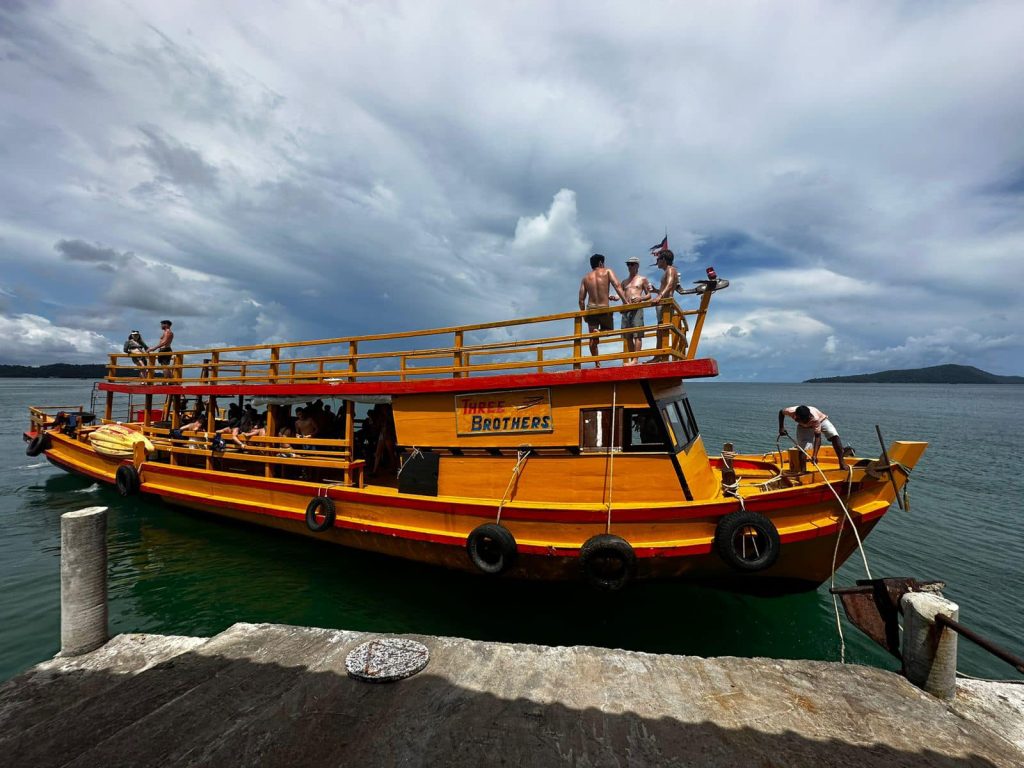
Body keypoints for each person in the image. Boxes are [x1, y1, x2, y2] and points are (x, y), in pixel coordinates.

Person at [577, 254, 625, 366]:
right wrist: (625, 302)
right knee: (608, 330)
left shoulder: (585, 278)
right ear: (600, 263)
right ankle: (600, 332)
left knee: (593, 340)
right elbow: (617, 285)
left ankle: (597, 363)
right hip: (603, 308)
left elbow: (581, 300)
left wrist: (584, 314)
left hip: (591, 309)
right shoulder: (607, 271)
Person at [778, 405, 847, 465]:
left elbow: (818, 437)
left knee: (834, 435)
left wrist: (815, 455)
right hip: (803, 427)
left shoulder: (815, 418)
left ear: (809, 416)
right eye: (803, 420)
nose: (806, 421)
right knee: (803, 447)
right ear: (796, 416)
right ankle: (803, 470)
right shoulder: (790, 411)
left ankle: (841, 462)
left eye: (807, 419)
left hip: (821, 421)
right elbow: (781, 413)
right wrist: (781, 427)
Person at [647, 249, 679, 362]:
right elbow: (666, 287)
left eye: (658, 259)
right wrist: (656, 291)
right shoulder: (667, 271)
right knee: (659, 330)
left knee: (662, 330)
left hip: (666, 305)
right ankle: (658, 356)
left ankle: (660, 356)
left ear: (664, 259)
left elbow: (670, 284)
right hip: (663, 304)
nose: (657, 262)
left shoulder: (670, 270)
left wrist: (659, 296)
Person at [620, 256, 653, 365]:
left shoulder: (642, 279)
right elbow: (620, 294)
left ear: (637, 265)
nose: (630, 266)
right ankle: (631, 358)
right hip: (626, 309)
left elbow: (649, 295)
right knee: (628, 336)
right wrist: (614, 297)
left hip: (637, 308)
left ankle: (635, 360)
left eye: (632, 264)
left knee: (637, 335)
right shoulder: (624, 282)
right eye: (628, 264)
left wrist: (640, 298)